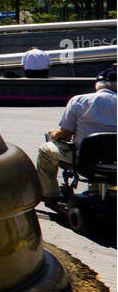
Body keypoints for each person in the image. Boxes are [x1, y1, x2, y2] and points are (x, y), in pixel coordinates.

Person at [35, 67, 116, 205]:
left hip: (84, 159)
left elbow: (65, 134)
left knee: (45, 151)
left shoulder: (79, 101)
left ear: (97, 84)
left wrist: (54, 134)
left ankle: (49, 194)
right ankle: (101, 192)